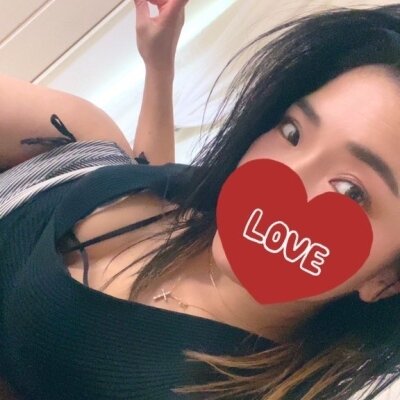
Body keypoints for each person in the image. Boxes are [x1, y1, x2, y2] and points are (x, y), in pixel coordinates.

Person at [1, 1, 400, 399]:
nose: (282, 177)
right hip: (71, 162)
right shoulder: (215, 211)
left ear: (388, 278)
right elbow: (157, 178)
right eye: (292, 132)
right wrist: (159, 67)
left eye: (351, 192)